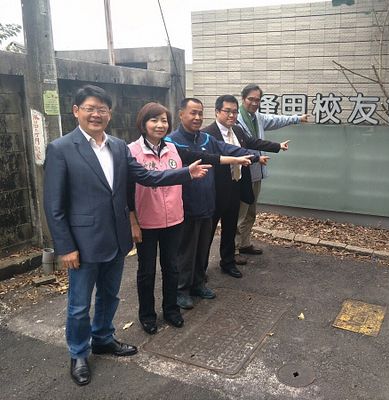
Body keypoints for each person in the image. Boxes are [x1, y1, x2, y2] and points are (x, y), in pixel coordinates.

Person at [43, 85, 210, 386]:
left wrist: (185, 173)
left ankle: (103, 338)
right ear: (76, 111)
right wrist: (65, 247)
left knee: (110, 295)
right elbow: (54, 205)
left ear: (109, 114)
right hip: (82, 243)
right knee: (79, 305)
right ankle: (79, 353)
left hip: (116, 237)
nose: (96, 114)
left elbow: (147, 176)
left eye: (102, 109)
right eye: (90, 108)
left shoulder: (118, 147)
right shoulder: (61, 148)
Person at [127, 102, 251, 335]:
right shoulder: (131, 151)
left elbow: (207, 157)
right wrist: (132, 220)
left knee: (172, 266)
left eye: (164, 120)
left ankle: (171, 309)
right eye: (154, 120)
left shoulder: (173, 148)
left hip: (174, 218)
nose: (160, 125)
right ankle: (147, 315)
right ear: (143, 123)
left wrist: (237, 159)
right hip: (147, 220)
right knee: (146, 272)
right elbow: (134, 186)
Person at [167, 98, 258, 310]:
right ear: (181, 114)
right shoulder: (172, 142)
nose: (197, 117)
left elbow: (227, 148)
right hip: (185, 206)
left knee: (202, 249)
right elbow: (206, 158)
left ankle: (198, 283)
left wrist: (252, 156)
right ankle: (181, 289)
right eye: (192, 113)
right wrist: (235, 159)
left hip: (207, 203)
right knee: (185, 251)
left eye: (200, 113)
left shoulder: (207, 138)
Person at [204, 94, 290, 278]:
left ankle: (228, 262)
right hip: (215, 190)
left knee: (230, 228)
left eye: (235, 112)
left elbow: (252, 143)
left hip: (236, 185)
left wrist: (277, 146)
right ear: (217, 111)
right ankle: (199, 270)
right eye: (227, 111)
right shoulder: (207, 134)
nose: (231, 115)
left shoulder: (237, 130)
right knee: (207, 232)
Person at [236, 84, 309, 258]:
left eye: (258, 100)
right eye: (251, 99)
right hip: (241, 173)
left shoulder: (257, 117)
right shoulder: (236, 119)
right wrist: (271, 149)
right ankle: (232, 250)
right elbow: (247, 143)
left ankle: (244, 244)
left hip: (256, 172)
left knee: (251, 211)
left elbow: (276, 120)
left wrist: (297, 118)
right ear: (243, 98)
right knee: (239, 213)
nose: (254, 103)